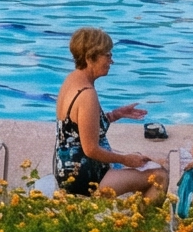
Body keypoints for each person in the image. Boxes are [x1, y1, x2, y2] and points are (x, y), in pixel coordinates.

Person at [55, 27, 163, 197]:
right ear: (90, 58)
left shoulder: (72, 80)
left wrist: (115, 114)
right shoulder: (86, 94)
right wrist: (125, 160)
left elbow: (79, 129)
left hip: (67, 169)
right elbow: (91, 149)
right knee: (159, 176)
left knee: (149, 160)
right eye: (108, 55)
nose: (111, 61)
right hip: (85, 178)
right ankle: (141, 222)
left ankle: (132, 214)